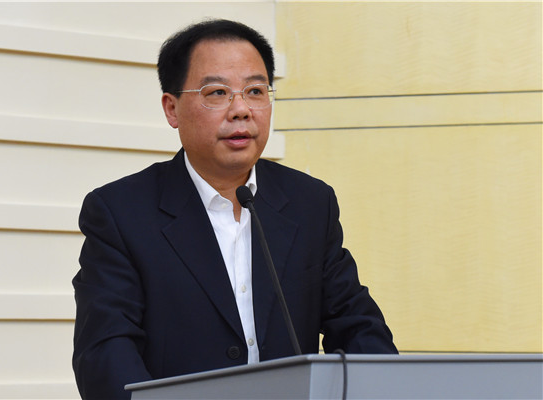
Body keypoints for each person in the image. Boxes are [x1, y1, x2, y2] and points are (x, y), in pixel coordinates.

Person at [72, 18, 397, 400]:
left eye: (255, 91)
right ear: (172, 108)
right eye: (217, 93)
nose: (241, 109)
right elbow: (106, 355)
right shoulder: (121, 212)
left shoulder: (310, 203)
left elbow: (358, 327)